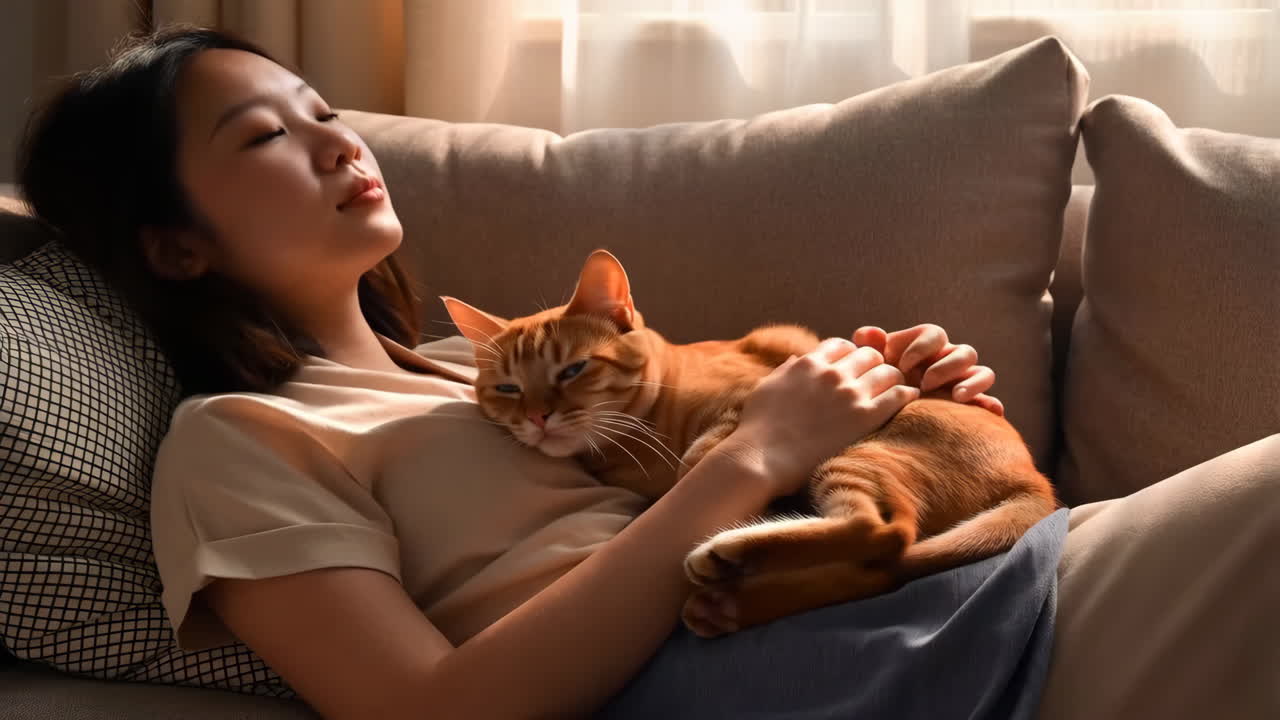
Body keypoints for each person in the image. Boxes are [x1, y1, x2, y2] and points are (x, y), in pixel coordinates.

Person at [16, 26, 1275, 720]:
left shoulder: (472, 365)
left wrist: (898, 404)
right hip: (831, 651)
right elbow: (426, 715)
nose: (336, 138)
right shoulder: (236, 438)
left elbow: (733, 425)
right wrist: (757, 456)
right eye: (265, 135)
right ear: (172, 242)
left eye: (319, 105)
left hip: (963, 578)